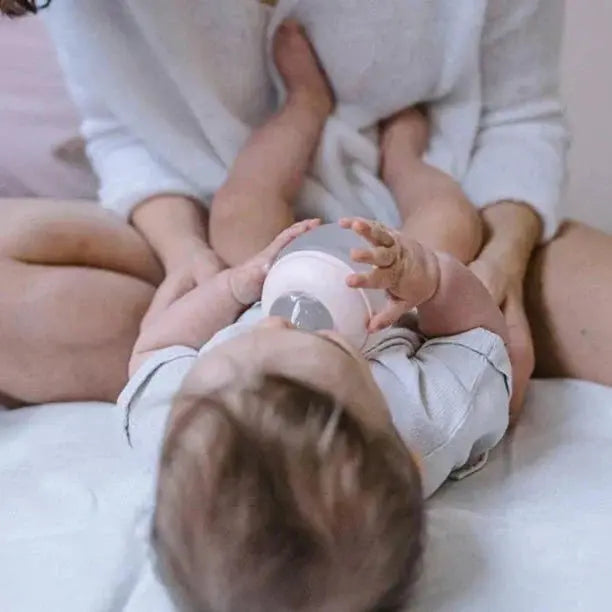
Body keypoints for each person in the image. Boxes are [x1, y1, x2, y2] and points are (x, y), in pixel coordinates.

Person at [2, 0, 612, 420]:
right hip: (404, 284)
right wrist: (479, 290)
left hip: (261, 265)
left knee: (241, 218)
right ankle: (402, 155)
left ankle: (312, 110)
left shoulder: (195, 423)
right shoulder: (426, 426)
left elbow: (152, 372)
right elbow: (483, 388)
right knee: (445, 233)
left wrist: (207, 293)